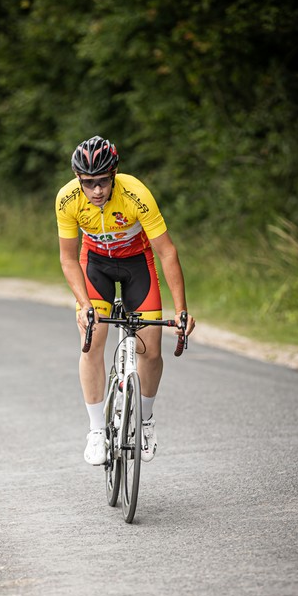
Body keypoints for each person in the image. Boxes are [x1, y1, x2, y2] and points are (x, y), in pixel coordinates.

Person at [56, 135, 195, 465]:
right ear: (78, 179)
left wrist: (181, 311)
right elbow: (68, 258)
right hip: (96, 266)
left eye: (103, 181)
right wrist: (85, 305)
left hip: (136, 264)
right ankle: (96, 430)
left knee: (151, 348)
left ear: (114, 174)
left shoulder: (136, 194)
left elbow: (167, 252)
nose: (96, 190)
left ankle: (145, 420)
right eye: (88, 183)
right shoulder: (67, 200)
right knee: (91, 341)